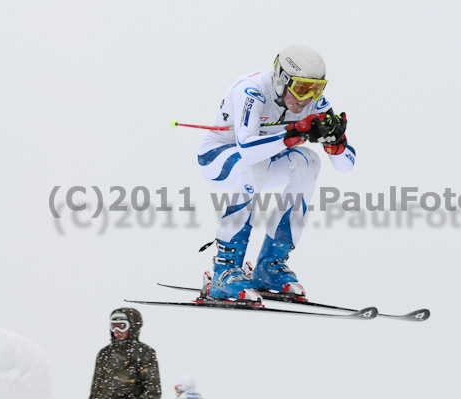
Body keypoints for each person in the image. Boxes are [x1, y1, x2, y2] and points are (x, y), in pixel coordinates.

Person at [197, 44, 356, 302]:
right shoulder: (251, 91)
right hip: (219, 159)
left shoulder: (314, 102)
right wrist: (295, 134)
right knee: (255, 165)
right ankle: (224, 269)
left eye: (315, 89)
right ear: (282, 80)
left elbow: (346, 166)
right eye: (302, 88)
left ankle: (269, 265)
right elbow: (247, 149)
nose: (306, 99)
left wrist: (336, 145)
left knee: (310, 161)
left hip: (262, 163)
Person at [89, 308, 162, 399]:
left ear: (132, 327)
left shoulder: (144, 353)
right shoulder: (105, 353)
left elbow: (152, 392)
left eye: (122, 326)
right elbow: (96, 389)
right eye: (113, 326)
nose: (117, 330)